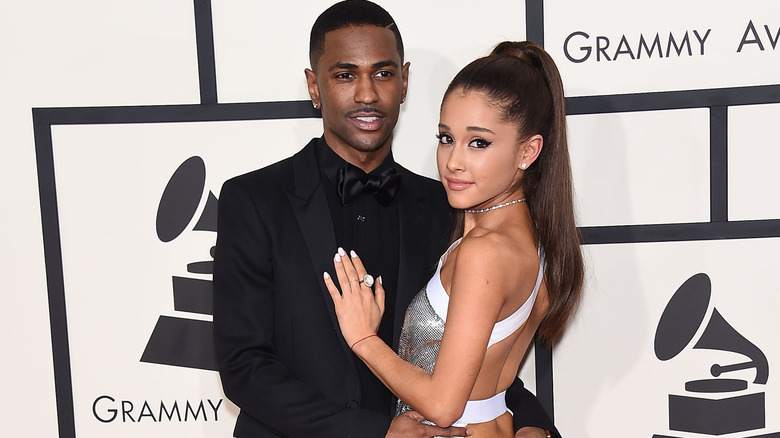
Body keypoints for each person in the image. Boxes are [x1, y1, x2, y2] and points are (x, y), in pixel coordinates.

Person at [213, 0, 560, 436]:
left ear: (405, 80)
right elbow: (243, 366)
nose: (367, 93)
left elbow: (474, 351)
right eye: (344, 75)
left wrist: (532, 424)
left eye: (383, 73)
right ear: (313, 86)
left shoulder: (449, 205)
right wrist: (374, 432)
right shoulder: (252, 200)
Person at [324, 40, 583, 437]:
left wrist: (363, 337)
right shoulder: (535, 240)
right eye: (447, 138)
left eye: (479, 142)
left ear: (528, 151)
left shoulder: (484, 252)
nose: (453, 161)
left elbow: (444, 406)